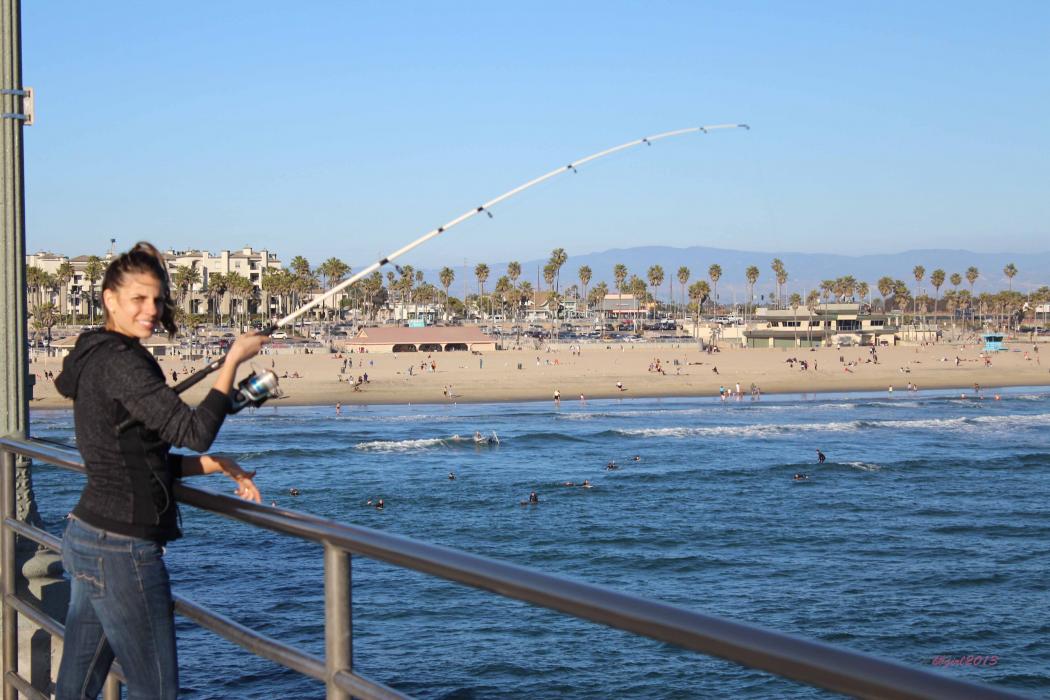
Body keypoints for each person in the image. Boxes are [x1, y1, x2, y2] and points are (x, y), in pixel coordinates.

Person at [54, 242, 267, 700]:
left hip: (89, 535)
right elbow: (195, 431)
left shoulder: (94, 353)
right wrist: (233, 360)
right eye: (138, 298)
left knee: (75, 688)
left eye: (157, 299)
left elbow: (133, 458)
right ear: (110, 299)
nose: (151, 310)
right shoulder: (123, 363)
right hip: (122, 549)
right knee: (156, 691)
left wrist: (214, 466)